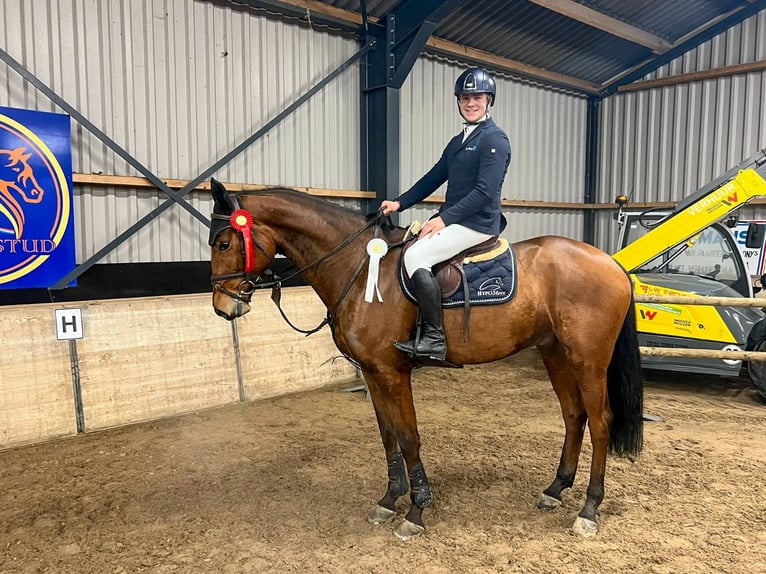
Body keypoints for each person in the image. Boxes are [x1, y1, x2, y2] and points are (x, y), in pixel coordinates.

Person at [380, 67, 512, 362]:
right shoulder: (458, 141)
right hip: (458, 220)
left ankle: (434, 339)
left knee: (415, 257)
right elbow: (432, 178)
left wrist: (444, 219)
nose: (470, 103)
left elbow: (484, 192)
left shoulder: (495, 139)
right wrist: (400, 203)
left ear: (489, 100)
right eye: (465, 97)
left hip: (478, 223)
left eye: (477, 97)